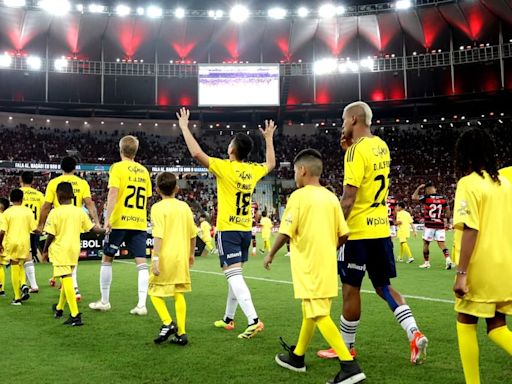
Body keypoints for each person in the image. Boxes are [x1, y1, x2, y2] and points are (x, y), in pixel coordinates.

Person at [318, 101, 428, 364]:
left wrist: (335, 233)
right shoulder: (381, 145)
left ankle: (346, 347)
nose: (342, 124)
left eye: (344, 120)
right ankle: (413, 332)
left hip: (357, 233)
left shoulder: (355, 151)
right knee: (383, 286)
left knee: (351, 289)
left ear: (355, 119)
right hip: (380, 230)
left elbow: (348, 198)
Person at [263, 149, 365, 384]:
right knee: (311, 310)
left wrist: (270, 254)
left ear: (302, 170)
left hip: (308, 264)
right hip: (327, 263)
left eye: (295, 171)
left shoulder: (299, 197)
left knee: (318, 314)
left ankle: (349, 366)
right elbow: (344, 234)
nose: (295, 176)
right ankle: (297, 356)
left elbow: (285, 232)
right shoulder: (331, 197)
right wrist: (327, 248)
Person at [176, 107, 276, 339]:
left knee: (233, 275)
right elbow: (271, 163)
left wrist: (184, 127)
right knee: (235, 274)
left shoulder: (225, 167)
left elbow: (196, 153)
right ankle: (229, 319)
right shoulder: (251, 170)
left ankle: (253, 319)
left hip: (229, 230)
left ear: (232, 149)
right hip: (244, 230)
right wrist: (269, 139)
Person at [452, 129, 512, 384]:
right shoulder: (505, 184)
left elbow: (471, 229)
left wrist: (462, 274)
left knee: (465, 320)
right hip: (505, 266)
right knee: (497, 325)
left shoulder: (468, 183)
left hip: (481, 267)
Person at [89, 136, 152, 315]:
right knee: (141, 262)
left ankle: (105, 301)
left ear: (120, 149)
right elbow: (146, 197)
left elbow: (113, 194)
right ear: (136, 151)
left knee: (107, 259)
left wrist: (107, 218)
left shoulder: (117, 167)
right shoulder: (143, 171)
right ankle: (141, 305)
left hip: (120, 221)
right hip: (139, 221)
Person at [42, 182, 105, 326]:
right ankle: (59, 308)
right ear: (72, 195)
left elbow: (50, 234)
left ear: (58, 195)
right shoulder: (79, 211)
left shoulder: (55, 212)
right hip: (74, 249)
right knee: (67, 279)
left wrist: (44, 251)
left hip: (60, 249)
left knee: (66, 278)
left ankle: (75, 315)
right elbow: (92, 229)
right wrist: (105, 230)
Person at [38, 157, 100, 300]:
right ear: (75, 168)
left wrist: (40, 225)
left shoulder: (54, 183)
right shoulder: (82, 183)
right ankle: (64, 283)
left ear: (61, 168)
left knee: (59, 254)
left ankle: (73, 286)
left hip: (58, 221)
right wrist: (96, 222)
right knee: (70, 255)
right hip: (76, 220)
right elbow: (89, 203)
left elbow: (46, 206)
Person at [150, 172, 197, 346]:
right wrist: (191, 254)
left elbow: (159, 235)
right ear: (177, 188)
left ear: (157, 190)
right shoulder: (184, 207)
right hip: (181, 257)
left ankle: (168, 323)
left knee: (153, 291)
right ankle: (182, 333)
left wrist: (155, 259)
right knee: (178, 293)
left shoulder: (157, 208)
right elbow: (193, 234)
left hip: (164, 257)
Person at [0, 189, 36, 305]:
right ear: (22, 199)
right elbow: (33, 229)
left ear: (11, 199)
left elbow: (2, 231)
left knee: (14, 266)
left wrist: (0, 243)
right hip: (25, 242)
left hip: (12, 242)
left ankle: (17, 297)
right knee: (20, 264)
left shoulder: (7, 213)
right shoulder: (28, 212)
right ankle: (23, 284)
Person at [412, 181, 454, 270]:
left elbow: (413, 197)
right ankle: (448, 259)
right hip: (440, 224)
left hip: (429, 225)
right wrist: (448, 222)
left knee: (426, 243)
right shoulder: (443, 198)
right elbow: (448, 210)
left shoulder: (426, 198)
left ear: (427, 190)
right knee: (442, 243)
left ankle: (426, 263)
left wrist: (418, 188)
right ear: (434, 188)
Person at [20, 171, 44, 293]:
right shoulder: (39, 195)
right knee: (28, 255)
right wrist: (41, 226)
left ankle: (32, 285)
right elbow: (44, 211)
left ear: (21, 180)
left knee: (25, 257)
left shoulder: (18, 193)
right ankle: (24, 283)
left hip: (21, 229)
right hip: (35, 230)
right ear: (32, 180)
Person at [0, 197, 11, 296]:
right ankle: (1, 289)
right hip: (4, 244)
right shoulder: (6, 217)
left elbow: (2, 231)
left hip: (0, 243)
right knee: (1, 266)